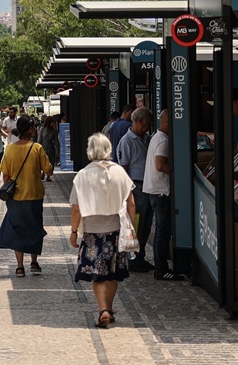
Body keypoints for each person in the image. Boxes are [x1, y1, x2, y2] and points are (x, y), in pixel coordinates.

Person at [70, 132, 137, 328]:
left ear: (90, 151)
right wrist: (131, 227)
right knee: (112, 272)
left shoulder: (83, 175)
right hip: (116, 230)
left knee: (96, 273)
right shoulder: (119, 172)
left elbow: (76, 208)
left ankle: (103, 310)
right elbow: (131, 203)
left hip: (92, 231)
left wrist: (74, 231)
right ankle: (109, 306)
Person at [0, 116, 53, 275]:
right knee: (35, 229)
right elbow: (49, 171)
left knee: (17, 230)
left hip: (15, 197)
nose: (35, 129)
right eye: (33, 126)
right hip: (34, 195)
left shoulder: (10, 149)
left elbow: (5, 176)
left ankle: (20, 266)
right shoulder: (37, 148)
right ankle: (34, 262)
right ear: (29, 129)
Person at [144, 109, 184, 281]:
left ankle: (161, 266)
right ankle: (161, 268)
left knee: (161, 229)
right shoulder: (163, 141)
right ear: (167, 123)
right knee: (163, 231)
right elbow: (160, 165)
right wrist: (177, 175)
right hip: (161, 191)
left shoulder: (156, 137)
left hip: (155, 190)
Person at [114, 107, 154, 272]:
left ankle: (139, 255)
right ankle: (133, 258)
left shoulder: (146, 138)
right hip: (135, 186)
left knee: (145, 224)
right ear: (137, 121)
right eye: (145, 124)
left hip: (147, 185)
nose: (147, 128)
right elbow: (123, 168)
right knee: (136, 223)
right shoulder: (127, 141)